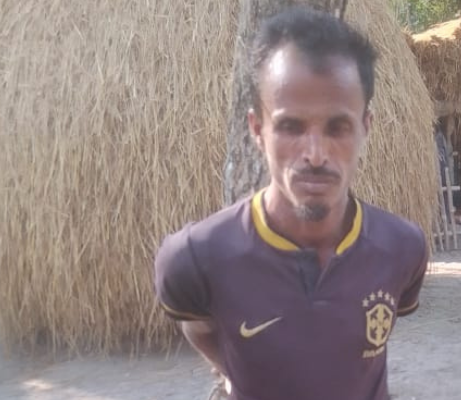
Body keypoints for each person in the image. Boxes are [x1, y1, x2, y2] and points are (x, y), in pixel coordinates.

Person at [153, 6, 429, 400]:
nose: (315, 154)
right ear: (257, 130)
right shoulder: (194, 258)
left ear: (365, 128)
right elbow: (197, 327)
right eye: (290, 126)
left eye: (337, 128)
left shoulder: (402, 248)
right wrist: (234, 371)